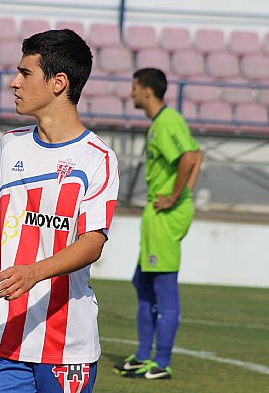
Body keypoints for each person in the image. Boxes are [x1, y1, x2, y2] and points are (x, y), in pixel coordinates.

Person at [0, 29, 120, 393]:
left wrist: (33, 273)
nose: (13, 83)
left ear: (58, 83)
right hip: (1, 334)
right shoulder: (10, 146)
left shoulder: (97, 158)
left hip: (66, 343)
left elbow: (93, 243)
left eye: (25, 73)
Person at [114, 68, 202, 380]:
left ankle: (161, 362)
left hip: (165, 212)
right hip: (158, 211)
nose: (132, 93)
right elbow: (197, 153)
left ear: (147, 91)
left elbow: (189, 158)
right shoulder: (160, 123)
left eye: (135, 87)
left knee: (163, 287)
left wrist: (175, 197)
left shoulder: (167, 121)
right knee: (143, 282)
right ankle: (142, 355)